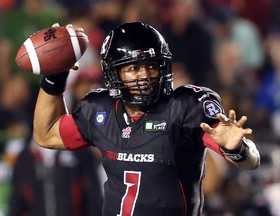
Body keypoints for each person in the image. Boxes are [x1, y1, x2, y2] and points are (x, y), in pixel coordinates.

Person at [32, 22, 260, 215]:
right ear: (114, 73)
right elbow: (46, 135)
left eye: (152, 66)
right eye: (133, 68)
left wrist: (237, 148)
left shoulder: (184, 107)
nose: (145, 76)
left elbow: (251, 161)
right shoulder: (99, 110)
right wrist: (55, 75)